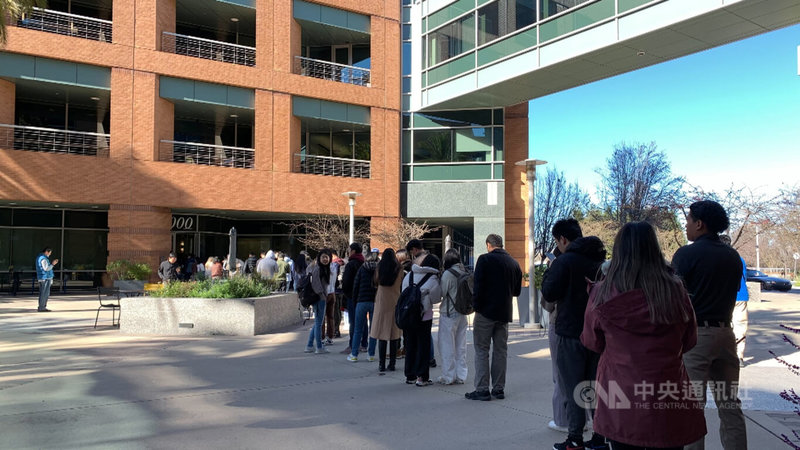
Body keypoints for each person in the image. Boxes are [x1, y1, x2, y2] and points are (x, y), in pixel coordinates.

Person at [581, 221, 706, 450]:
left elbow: (591, 341)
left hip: (621, 393)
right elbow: (689, 340)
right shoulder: (676, 290)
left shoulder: (603, 292)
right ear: (654, 248)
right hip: (667, 391)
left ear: (618, 251)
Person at [673, 200, 747, 450]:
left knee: (692, 408)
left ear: (699, 224)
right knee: (729, 405)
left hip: (697, 336)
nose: (686, 226)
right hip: (726, 334)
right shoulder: (733, 256)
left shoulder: (686, 254)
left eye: (688, 220)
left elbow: (673, 297)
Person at [541, 219, 607, 450]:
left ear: (563, 239)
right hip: (598, 334)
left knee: (572, 387)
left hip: (570, 332)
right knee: (595, 386)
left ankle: (575, 438)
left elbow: (549, 292)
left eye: (557, 241)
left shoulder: (564, 261)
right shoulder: (600, 262)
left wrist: (550, 271)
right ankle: (600, 437)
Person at [465, 234, 522, 401]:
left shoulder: (484, 260)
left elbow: (478, 286)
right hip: (504, 313)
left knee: (482, 349)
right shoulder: (514, 263)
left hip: (485, 312)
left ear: (488, 245)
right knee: (500, 351)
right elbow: (517, 292)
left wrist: (476, 306)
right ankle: (498, 388)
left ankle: (482, 389)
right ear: (501, 245)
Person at [403, 252, 442, 386]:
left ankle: (410, 375)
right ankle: (422, 377)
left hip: (408, 315)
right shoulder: (432, 279)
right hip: (424, 316)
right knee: (423, 346)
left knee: (410, 345)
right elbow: (436, 298)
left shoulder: (409, 275)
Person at [437, 248, 469, 385]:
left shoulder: (447, 275)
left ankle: (448, 376)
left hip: (449, 313)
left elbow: (442, 293)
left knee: (447, 346)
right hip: (463, 312)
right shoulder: (465, 271)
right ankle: (461, 375)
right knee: (461, 346)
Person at [370, 248, 404, 373]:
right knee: (394, 334)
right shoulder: (399, 268)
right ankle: (392, 363)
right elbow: (401, 283)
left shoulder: (379, 267)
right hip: (395, 300)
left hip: (381, 301)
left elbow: (375, 282)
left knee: (382, 334)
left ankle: (381, 364)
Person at [720, 234, 750, 367]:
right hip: (741, 295)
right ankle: (739, 356)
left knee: (723, 325)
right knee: (740, 326)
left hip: (723, 296)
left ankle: (724, 354)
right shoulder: (739, 259)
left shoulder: (717, 258)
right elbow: (745, 277)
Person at [348, 251, 379, 362]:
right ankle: (371, 354)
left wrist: (355, 301)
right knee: (373, 330)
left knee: (358, 329)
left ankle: (354, 354)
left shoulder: (362, 269)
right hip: (374, 302)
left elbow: (356, 286)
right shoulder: (378, 270)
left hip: (361, 301)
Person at [305, 249, 333, 354]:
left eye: (327, 257)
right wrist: (323, 296)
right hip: (319, 299)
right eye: (323, 257)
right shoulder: (318, 269)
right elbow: (316, 285)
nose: (325, 259)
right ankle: (319, 347)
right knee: (319, 323)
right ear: (319, 258)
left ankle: (309, 345)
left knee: (318, 322)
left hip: (320, 298)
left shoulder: (324, 269)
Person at [341, 243, 365, 354]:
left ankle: (353, 344)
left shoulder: (351, 264)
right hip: (363, 296)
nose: (348, 251)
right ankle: (364, 344)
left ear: (353, 251)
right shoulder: (364, 263)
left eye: (349, 249)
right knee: (363, 321)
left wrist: (345, 292)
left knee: (353, 321)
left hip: (352, 296)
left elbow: (346, 282)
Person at [35, 247, 58, 312]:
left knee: (44, 293)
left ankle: (42, 307)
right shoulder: (43, 259)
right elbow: (46, 268)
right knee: (44, 293)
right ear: (46, 252)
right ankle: (42, 307)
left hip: (44, 278)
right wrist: (53, 264)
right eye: (49, 253)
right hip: (45, 278)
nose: (50, 254)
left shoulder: (40, 258)